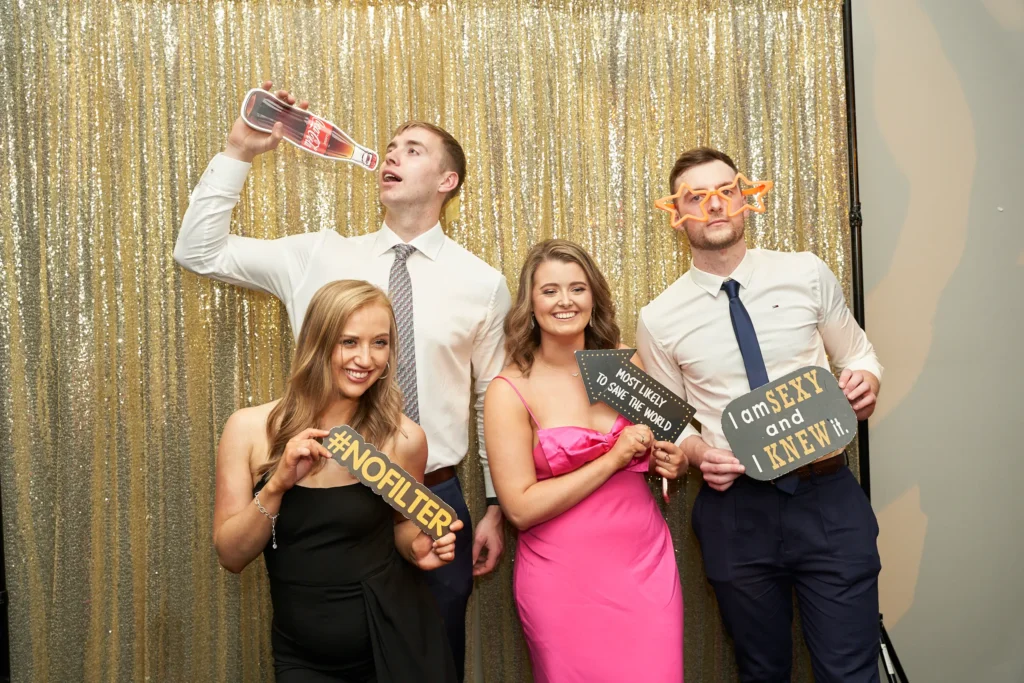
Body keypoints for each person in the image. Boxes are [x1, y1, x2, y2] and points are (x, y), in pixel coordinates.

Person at [175, 83, 510, 680]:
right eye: (389, 146)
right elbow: (199, 252)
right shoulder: (316, 255)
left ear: (447, 180)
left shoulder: (481, 281)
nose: (391, 155)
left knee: (433, 662)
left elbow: (493, 395)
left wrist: (492, 503)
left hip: (428, 493)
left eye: (412, 148)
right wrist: (240, 150)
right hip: (319, 496)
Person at [637, 146, 884, 682]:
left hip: (826, 496)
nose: (715, 206)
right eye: (695, 197)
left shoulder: (806, 273)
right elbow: (671, 422)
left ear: (746, 199)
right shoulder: (659, 318)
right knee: (762, 671)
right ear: (677, 215)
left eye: (726, 190)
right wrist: (700, 453)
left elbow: (859, 353)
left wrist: (866, 381)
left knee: (850, 672)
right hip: (736, 512)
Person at [213, 279, 460, 682]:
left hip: (399, 645)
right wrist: (276, 485)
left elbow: (402, 528)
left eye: (379, 343)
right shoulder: (248, 430)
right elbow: (231, 556)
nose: (365, 358)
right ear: (316, 342)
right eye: (349, 342)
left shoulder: (403, 438)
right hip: (302, 656)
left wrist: (417, 547)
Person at [483, 239, 686, 683]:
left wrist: (670, 461)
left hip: (645, 566)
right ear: (530, 302)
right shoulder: (510, 388)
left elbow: (655, 452)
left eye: (577, 288)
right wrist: (612, 459)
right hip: (562, 580)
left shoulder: (623, 363)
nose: (564, 301)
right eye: (549, 290)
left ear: (593, 297)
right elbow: (519, 508)